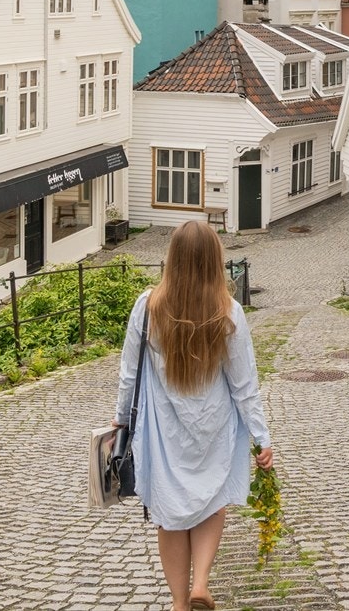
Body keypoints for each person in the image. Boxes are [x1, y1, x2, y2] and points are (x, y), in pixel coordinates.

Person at [114, 220, 273, 611]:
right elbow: (244, 383)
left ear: (172, 259)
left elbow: (129, 373)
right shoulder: (229, 312)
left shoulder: (147, 306)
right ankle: (201, 583)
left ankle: (180, 603)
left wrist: (122, 421)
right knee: (210, 501)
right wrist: (261, 437)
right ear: (214, 261)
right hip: (213, 425)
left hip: (163, 429)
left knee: (169, 515)